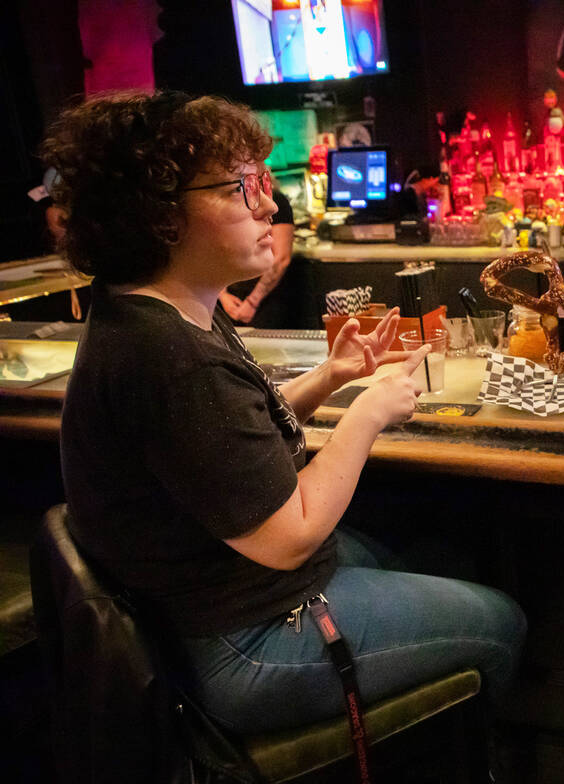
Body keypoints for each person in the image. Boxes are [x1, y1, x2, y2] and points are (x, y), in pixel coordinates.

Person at [44, 90, 525, 741]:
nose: (269, 204)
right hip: (243, 642)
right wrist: (369, 413)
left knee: (443, 553)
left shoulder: (165, 309)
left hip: (226, 603)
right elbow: (288, 533)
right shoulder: (167, 356)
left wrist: (330, 378)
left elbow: (222, 452)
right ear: (159, 215)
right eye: (241, 187)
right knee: (502, 620)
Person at [218, 188, 294, 325]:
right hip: (229, 298)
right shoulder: (227, 199)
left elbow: (281, 258)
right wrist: (222, 295)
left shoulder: (276, 199)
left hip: (266, 299)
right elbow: (216, 249)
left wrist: (252, 302)